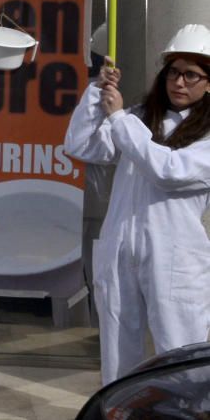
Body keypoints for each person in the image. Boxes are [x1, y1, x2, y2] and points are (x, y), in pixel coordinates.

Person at [65, 23, 210, 384]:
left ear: (209, 83)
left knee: (179, 354)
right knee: (117, 352)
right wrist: (97, 94)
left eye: (191, 75)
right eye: (174, 72)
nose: (179, 82)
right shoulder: (140, 117)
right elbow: (82, 146)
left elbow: (169, 171)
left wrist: (117, 118)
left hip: (175, 257)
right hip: (120, 248)